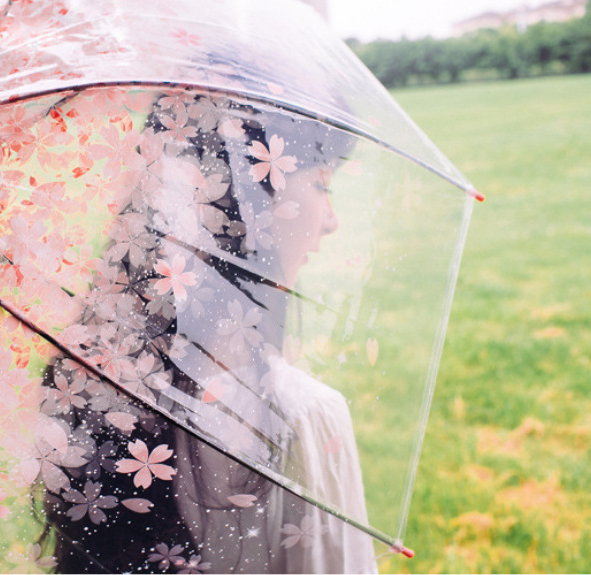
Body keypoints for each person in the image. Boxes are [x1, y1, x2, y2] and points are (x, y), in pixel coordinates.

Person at [38, 86, 378, 573]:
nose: (332, 221)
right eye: (322, 184)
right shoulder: (303, 419)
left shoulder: (102, 387)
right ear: (251, 201)